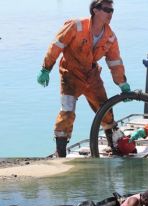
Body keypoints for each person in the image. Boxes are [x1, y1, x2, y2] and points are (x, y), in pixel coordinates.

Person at [37, 0, 131, 157]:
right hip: (70, 74)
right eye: (107, 10)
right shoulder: (76, 25)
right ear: (95, 10)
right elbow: (56, 46)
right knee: (67, 111)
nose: (110, 14)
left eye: (112, 11)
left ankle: (113, 145)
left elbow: (115, 62)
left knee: (105, 110)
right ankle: (60, 153)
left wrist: (123, 83)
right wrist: (46, 68)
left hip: (92, 75)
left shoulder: (110, 37)